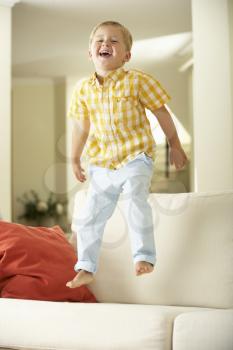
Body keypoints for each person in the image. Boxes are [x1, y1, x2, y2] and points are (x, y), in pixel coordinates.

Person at [66, 21, 188, 288]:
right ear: (90, 53)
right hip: (101, 163)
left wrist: (175, 144)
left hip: (135, 155)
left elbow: (161, 113)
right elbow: (81, 127)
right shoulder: (82, 90)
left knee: (135, 197)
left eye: (113, 41)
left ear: (126, 56)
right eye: (99, 40)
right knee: (90, 214)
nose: (105, 44)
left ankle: (143, 256)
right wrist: (75, 158)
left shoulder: (138, 81)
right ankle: (86, 266)